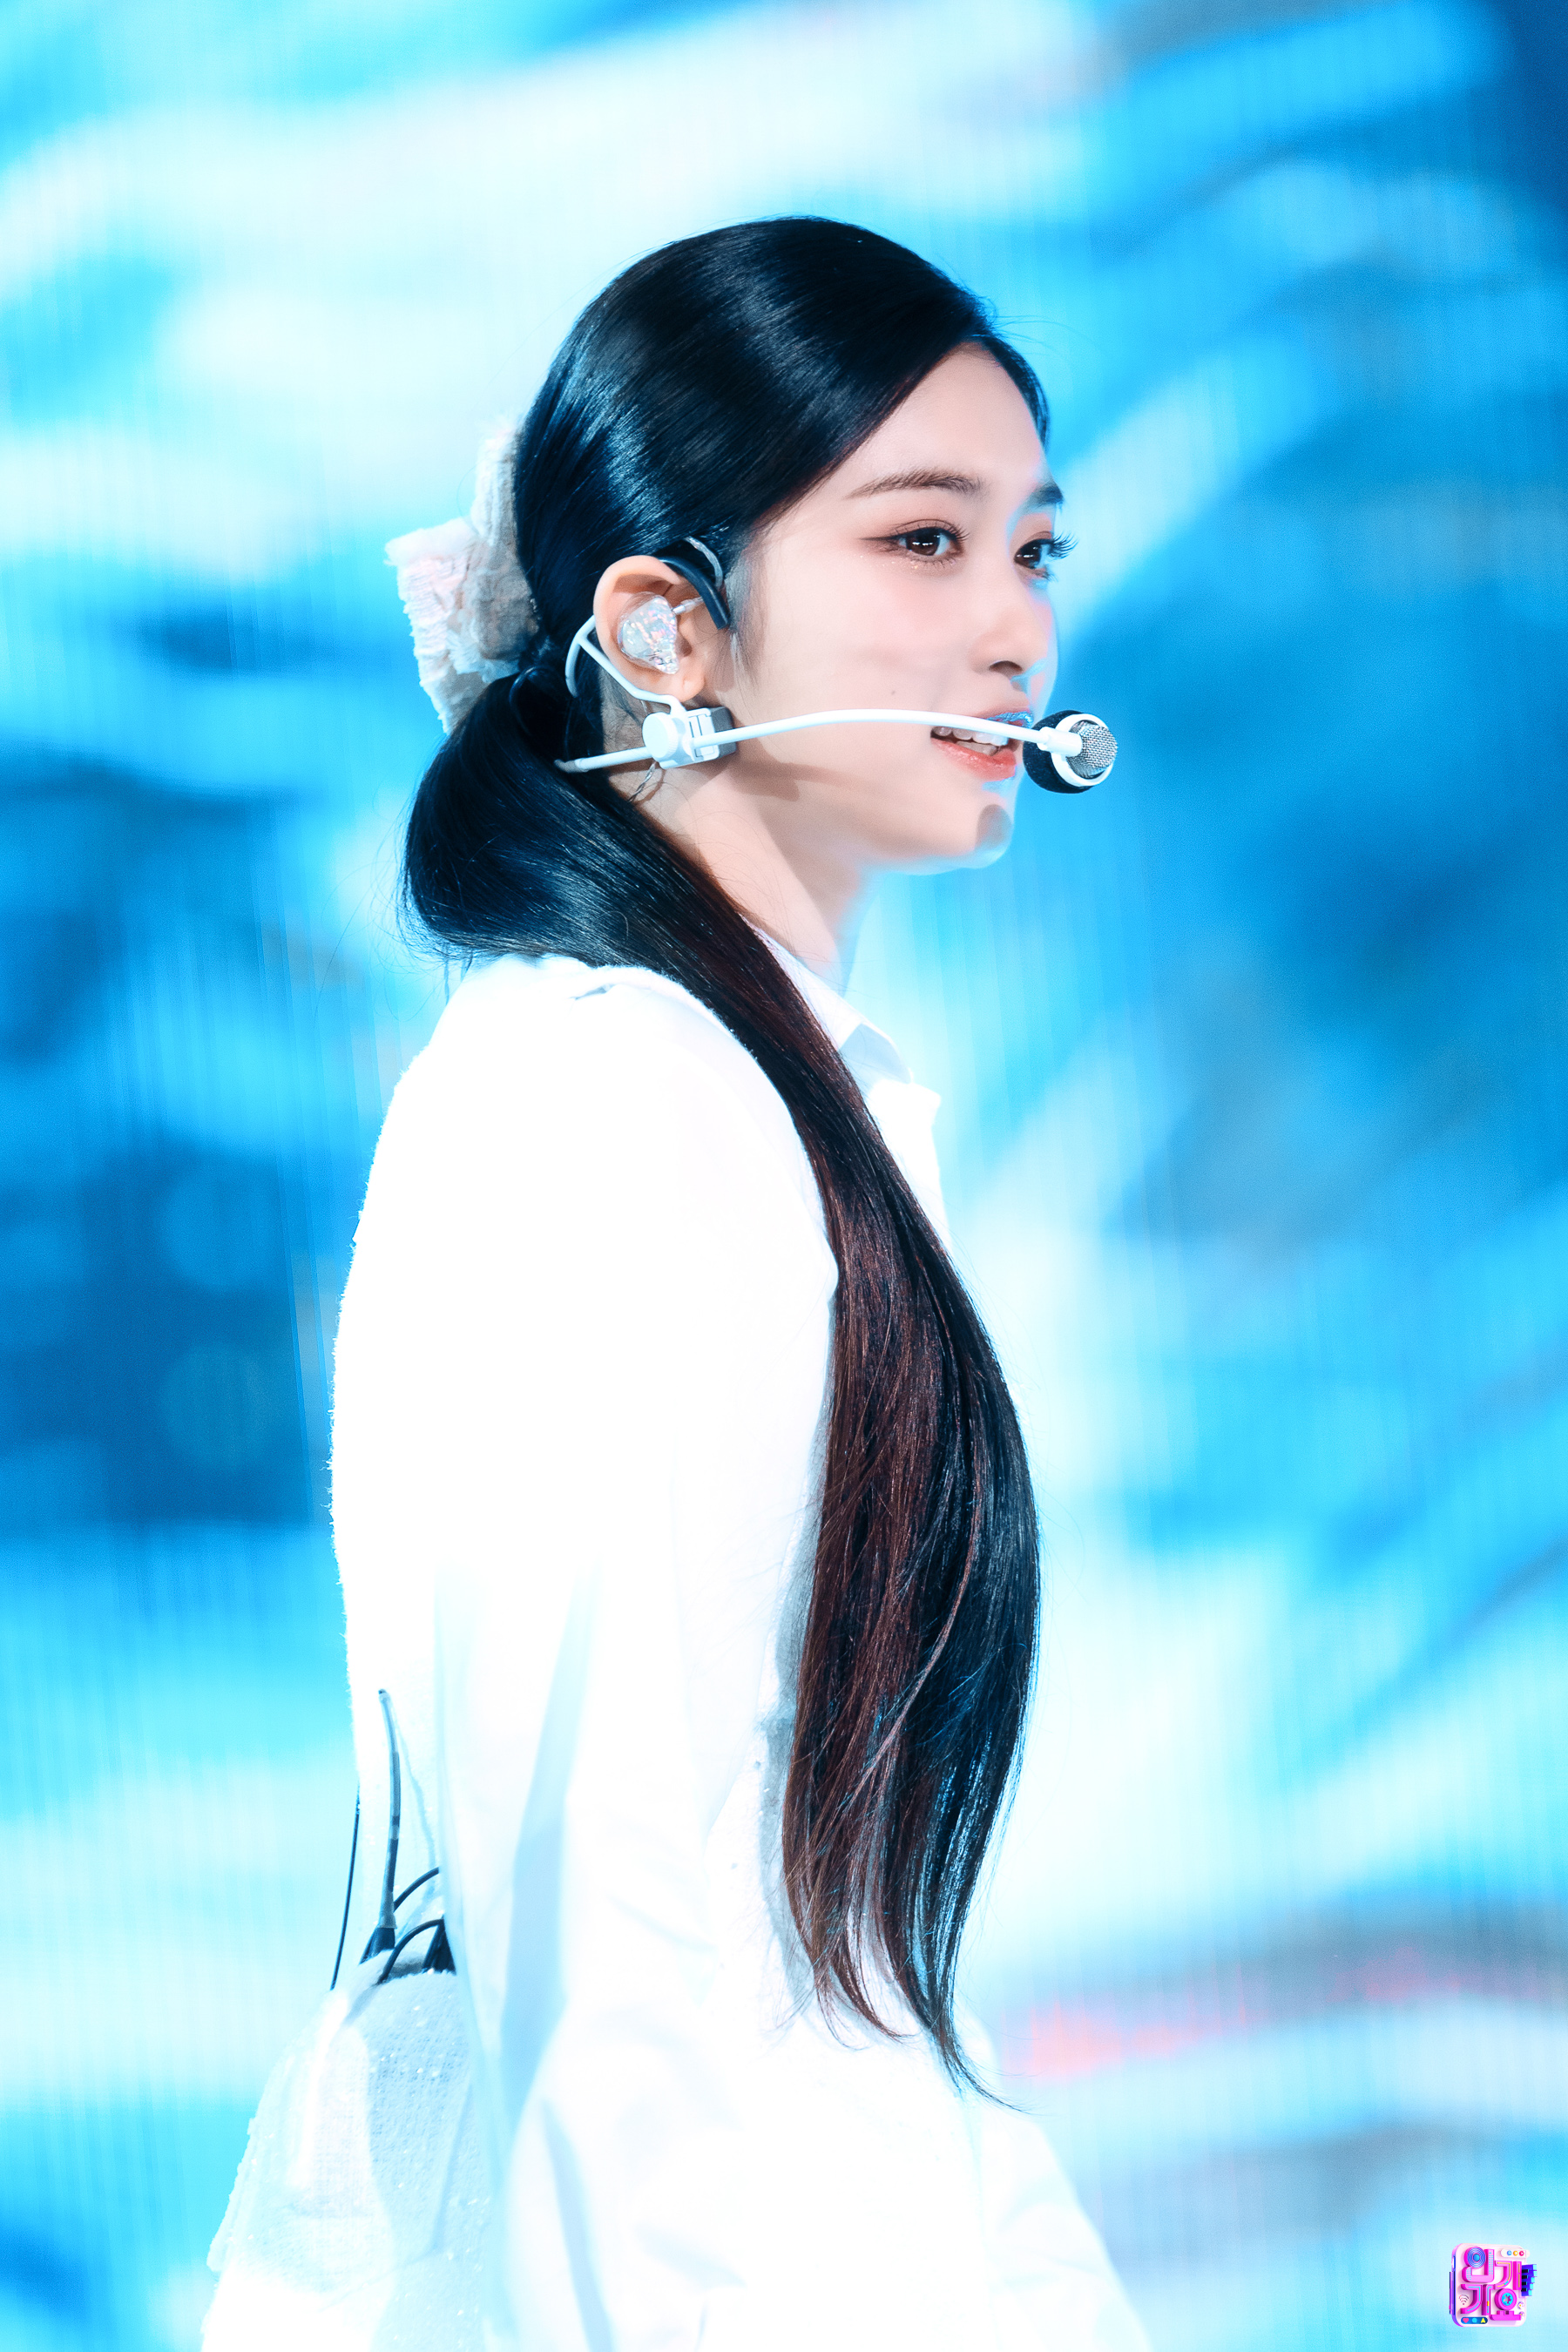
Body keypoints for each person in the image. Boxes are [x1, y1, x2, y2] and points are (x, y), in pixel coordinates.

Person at [204, 216, 1150, 2352]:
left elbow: (861, 1981)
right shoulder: (603, 1107)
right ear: (666, 625)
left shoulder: (769, 1101)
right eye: (925, 542)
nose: (1016, 625)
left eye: (1035, 550)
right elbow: (607, 1964)